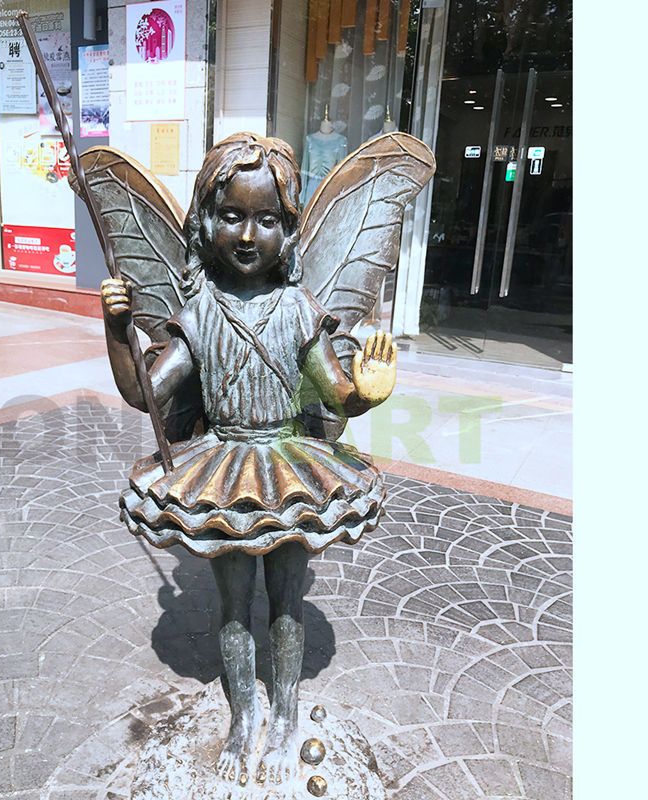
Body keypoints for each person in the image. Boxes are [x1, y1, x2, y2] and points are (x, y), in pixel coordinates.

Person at [100, 133, 396, 787]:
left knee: (286, 601)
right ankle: (242, 721)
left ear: (288, 231)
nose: (247, 234)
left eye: (266, 220)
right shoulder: (200, 313)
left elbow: (334, 390)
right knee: (234, 607)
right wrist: (117, 333)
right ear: (208, 223)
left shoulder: (297, 309)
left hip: (292, 466)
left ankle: (285, 714)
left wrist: (365, 393)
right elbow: (142, 390)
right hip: (226, 466)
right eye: (232, 215)